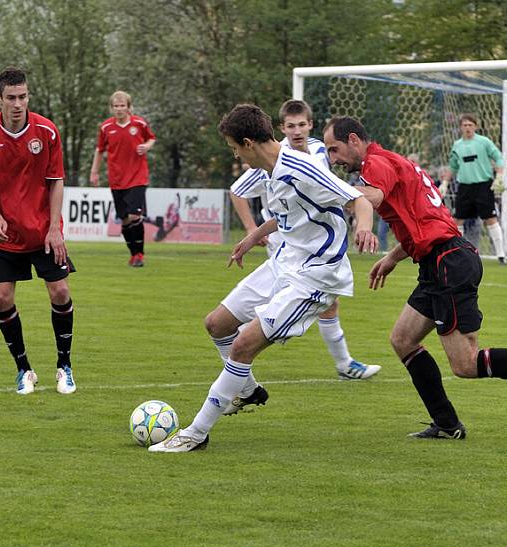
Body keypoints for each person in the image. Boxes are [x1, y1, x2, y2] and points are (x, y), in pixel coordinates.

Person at [323, 116, 507, 440]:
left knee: (464, 363)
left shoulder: (376, 163)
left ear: (354, 140)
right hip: (438, 261)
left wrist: (326, 191)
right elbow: (424, 223)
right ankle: (447, 425)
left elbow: (371, 198)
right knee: (403, 339)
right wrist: (392, 258)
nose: (333, 158)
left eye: (334, 150)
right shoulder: (394, 162)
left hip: (449, 262)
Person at [149, 104, 377, 453]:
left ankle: (195, 434)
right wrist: (253, 236)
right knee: (217, 324)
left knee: (243, 346)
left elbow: (359, 200)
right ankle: (248, 390)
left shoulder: (302, 166)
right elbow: (289, 215)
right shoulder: (268, 170)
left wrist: (364, 228)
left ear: (248, 143)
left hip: (316, 274)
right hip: (284, 261)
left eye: (234, 149)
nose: (236, 156)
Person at [229, 99, 380, 381]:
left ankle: (344, 363)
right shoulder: (268, 158)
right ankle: (241, 353)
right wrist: (253, 231)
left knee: (327, 301)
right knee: (278, 310)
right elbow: (237, 191)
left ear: (310, 125)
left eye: (301, 125)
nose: (296, 131)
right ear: (281, 129)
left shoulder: (322, 152)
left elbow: (333, 194)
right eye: (290, 126)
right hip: (286, 242)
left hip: (318, 243)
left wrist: (359, 211)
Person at [0, 67, 76, 396]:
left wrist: (55, 228)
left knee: (60, 292)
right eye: (11, 98)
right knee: (1, 297)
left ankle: (64, 366)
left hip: (43, 232)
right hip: (3, 235)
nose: (18, 103)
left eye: (23, 97)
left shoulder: (47, 131)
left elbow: (55, 181)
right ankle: (24, 370)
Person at [89, 90, 156, 267]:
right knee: (125, 219)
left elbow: (152, 138)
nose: (119, 109)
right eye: (116, 106)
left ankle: (140, 255)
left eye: (122, 106)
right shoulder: (106, 128)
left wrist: (147, 146)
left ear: (129, 107)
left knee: (135, 215)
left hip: (138, 177)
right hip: (117, 179)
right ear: (111, 108)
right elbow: (99, 150)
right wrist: (94, 172)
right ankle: (133, 254)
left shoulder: (139, 123)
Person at [448, 113, 507, 264]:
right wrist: (443, 183)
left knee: (490, 218)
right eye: (465, 125)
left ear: (475, 126)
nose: (467, 128)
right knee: (457, 220)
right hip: (465, 186)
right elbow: (453, 166)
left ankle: (501, 255)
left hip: (483, 185)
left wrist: (499, 176)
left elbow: (499, 158)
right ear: (461, 127)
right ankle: (458, 253)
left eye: (470, 125)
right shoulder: (457, 145)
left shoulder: (484, 142)